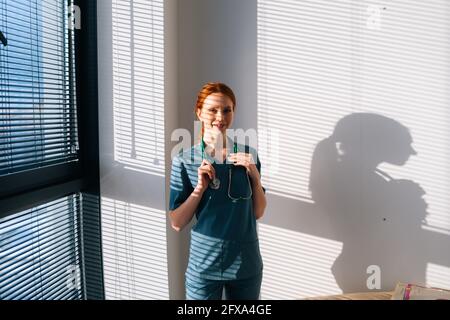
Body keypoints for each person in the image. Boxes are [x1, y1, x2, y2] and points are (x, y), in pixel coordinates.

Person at [168, 82, 267, 300]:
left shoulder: (249, 155)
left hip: (245, 264)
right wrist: (200, 189)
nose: (220, 117)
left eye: (227, 110)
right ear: (199, 112)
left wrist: (255, 178)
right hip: (204, 266)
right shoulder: (184, 159)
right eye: (213, 110)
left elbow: (258, 212)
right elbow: (176, 222)